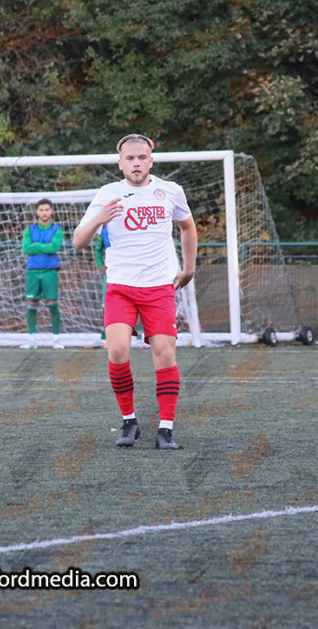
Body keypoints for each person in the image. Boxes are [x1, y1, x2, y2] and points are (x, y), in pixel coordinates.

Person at [73, 134, 197, 450]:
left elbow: (188, 227)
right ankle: (129, 423)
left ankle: (165, 430)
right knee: (116, 352)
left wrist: (190, 267)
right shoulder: (108, 194)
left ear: (151, 160)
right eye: (130, 159)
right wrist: (99, 219)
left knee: (166, 355)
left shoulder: (170, 191)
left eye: (142, 157)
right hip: (121, 289)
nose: (136, 163)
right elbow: (79, 240)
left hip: (159, 287)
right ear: (120, 163)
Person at [21, 199, 64, 349]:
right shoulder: (29, 230)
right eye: (41, 210)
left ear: (51, 211)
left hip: (50, 272)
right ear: (37, 212)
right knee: (32, 304)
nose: (44, 213)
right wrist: (45, 246)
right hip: (32, 272)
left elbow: (54, 248)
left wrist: (36, 246)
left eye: (47, 210)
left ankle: (56, 339)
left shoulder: (57, 230)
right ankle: (31, 339)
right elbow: (26, 249)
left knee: (53, 304)